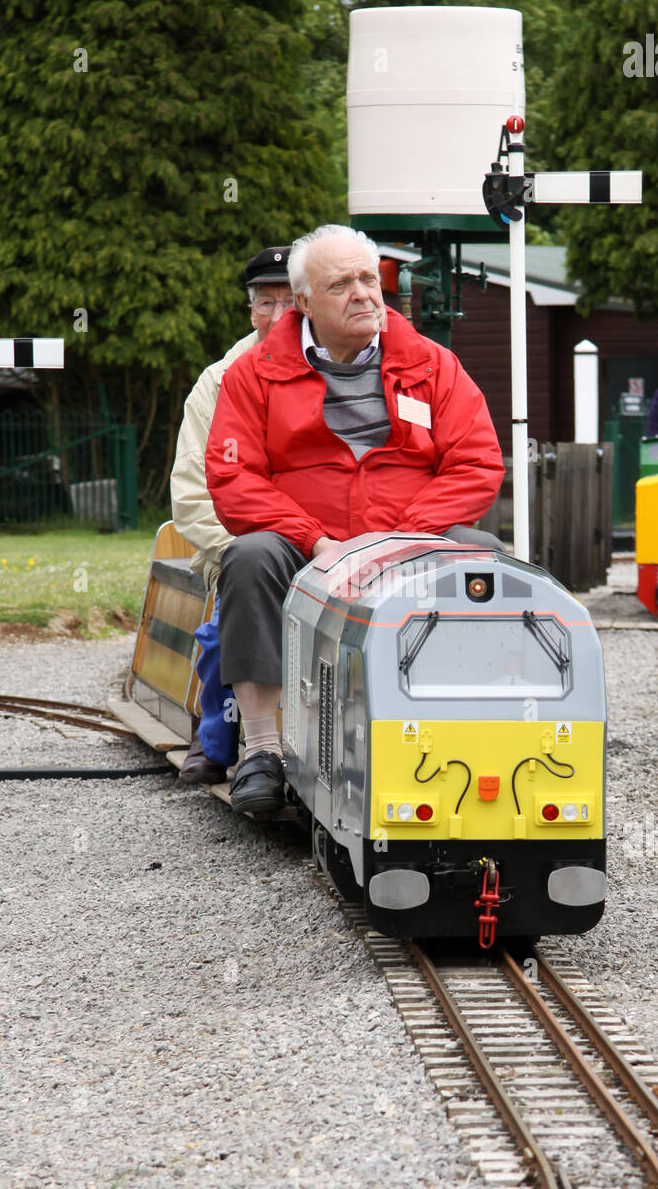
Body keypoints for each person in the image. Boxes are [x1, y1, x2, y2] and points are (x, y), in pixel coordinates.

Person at [205, 223, 505, 814]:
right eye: (342, 284)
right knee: (249, 557)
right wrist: (314, 539)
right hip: (307, 543)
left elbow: (476, 463)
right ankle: (262, 751)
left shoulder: (434, 366)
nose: (364, 294)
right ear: (305, 302)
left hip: (411, 535)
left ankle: (472, 733)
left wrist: (402, 537)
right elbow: (233, 478)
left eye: (370, 279)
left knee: (482, 554)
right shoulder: (254, 374)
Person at [170, 246, 293, 783]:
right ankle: (214, 736)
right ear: (251, 311)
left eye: (291, 301)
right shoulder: (217, 383)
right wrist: (237, 554)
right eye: (266, 302)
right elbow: (192, 494)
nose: (279, 315)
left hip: (324, 547)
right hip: (239, 540)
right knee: (229, 625)